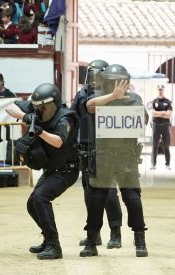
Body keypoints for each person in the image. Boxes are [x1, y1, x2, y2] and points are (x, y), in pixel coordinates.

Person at [80, 64, 149, 258]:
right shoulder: (101, 98)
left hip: (127, 155)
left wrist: (128, 102)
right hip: (103, 155)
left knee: (132, 198)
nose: (114, 84)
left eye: (119, 81)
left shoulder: (135, 99)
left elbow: (143, 120)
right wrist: (113, 97)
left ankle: (140, 238)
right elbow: (89, 106)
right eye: (111, 81)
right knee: (96, 199)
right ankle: (91, 241)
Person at [6, 83, 79, 260]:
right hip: (50, 169)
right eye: (38, 107)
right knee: (32, 204)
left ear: (54, 103)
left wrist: (39, 131)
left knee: (41, 198)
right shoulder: (36, 107)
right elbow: (10, 107)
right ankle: (48, 239)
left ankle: (55, 246)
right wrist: (27, 116)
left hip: (66, 170)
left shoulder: (65, 117)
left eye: (44, 107)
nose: (41, 110)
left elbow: (59, 141)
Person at [70, 60, 123, 249]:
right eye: (90, 75)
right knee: (89, 193)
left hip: (108, 149)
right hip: (86, 147)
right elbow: (74, 115)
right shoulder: (82, 94)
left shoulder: (116, 94)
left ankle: (115, 232)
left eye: (96, 76)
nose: (93, 79)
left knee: (109, 193)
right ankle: (94, 234)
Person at [151, 84, 172, 170]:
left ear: (163, 90)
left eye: (161, 90)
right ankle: (153, 165)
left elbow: (168, 115)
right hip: (156, 126)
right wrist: (163, 112)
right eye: (159, 89)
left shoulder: (168, 102)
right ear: (157, 90)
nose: (160, 91)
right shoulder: (154, 101)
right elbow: (153, 113)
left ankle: (167, 164)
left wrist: (158, 113)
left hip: (165, 126)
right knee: (154, 146)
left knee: (166, 146)